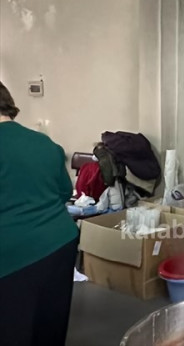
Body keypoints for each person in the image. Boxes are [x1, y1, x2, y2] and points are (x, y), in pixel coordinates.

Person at [0, 81, 78, 346]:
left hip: (11, 255)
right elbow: (65, 191)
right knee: (49, 325)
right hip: (60, 242)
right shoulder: (44, 143)